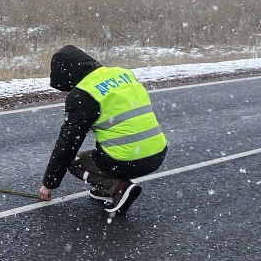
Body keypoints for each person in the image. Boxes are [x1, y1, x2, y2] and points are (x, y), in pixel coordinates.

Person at [37, 45, 168, 216]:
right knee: (105, 146)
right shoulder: (123, 74)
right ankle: (104, 190)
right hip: (158, 154)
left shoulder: (83, 94)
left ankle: (118, 188)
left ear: (68, 74)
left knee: (74, 161)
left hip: (128, 160)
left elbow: (67, 144)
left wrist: (49, 184)